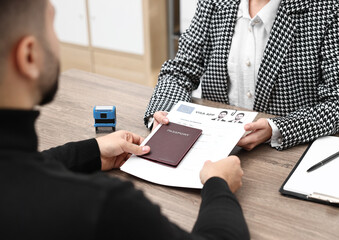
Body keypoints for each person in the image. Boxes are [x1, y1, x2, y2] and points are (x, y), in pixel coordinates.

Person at [0, 0, 250, 239]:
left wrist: (93, 151)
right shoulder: (105, 206)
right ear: (29, 56)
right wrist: (219, 185)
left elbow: (24, 167)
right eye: (53, 26)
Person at [144, 0, 339, 151]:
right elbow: (180, 69)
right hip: (214, 148)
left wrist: (277, 128)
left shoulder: (327, 6)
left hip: (284, 153)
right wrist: (163, 111)